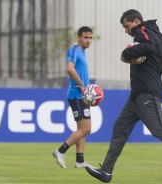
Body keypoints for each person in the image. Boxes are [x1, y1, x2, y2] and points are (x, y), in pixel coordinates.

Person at [85, 9, 162, 182]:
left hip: (148, 92)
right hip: (137, 95)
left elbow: (149, 46)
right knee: (120, 128)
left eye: (127, 26)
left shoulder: (143, 31)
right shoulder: (159, 37)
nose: (126, 31)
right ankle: (106, 171)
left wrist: (126, 54)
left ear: (136, 21)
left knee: (159, 129)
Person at [53, 26, 93, 169]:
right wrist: (82, 85)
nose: (88, 40)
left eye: (90, 38)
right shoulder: (74, 50)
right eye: (85, 37)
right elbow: (69, 68)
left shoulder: (82, 52)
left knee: (81, 129)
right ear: (78, 38)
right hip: (77, 95)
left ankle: (80, 160)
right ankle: (60, 151)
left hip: (82, 96)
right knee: (86, 129)